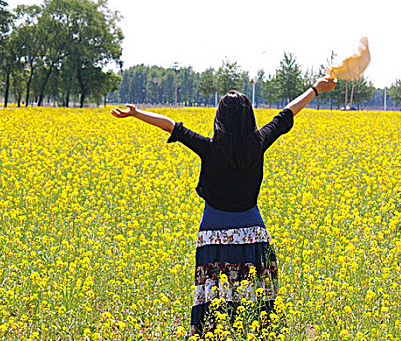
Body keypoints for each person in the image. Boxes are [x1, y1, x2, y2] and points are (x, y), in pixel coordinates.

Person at [110, 77, 337, 335]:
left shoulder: (210, 148)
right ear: (248, 118)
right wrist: (315, 89)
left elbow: (172, 126)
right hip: (252, 231)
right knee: (255, 299)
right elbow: (286, 113)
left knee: (215, 300)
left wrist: (136, 113)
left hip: (213, 233)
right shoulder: (258, 143)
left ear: (220, 118)